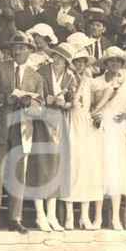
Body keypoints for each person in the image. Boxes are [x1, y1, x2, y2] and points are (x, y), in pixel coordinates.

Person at [0, 32, 46, 233]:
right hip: (0, 125)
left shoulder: (36, 76)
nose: (18, 50)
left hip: (22, 128)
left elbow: (41, 106)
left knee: (18, 174)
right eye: (15, 47)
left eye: (22, 47)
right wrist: (3, 99)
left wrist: (29, 102)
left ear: (30, 50)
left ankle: (15, 218)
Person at [28, 41, 77, 231]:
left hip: (59, 122)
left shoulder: (70, 78)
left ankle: (52, 214)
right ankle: (40, 214)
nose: (57, 60)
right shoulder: (41, 72)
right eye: (55, 56)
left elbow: (71, 104)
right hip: (41, 122)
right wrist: (44, 99)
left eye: (61, 58)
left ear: (66, 62)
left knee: (58, 167)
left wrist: (63, 102)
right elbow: (34, 96)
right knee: (40, 165)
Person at [60, 47, 104, 230]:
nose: (79, 65)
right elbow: (67, 102)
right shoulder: (67, 79)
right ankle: (69, 216)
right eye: (76, 61)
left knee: (86, 167)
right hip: (71, 122)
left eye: (82, 61)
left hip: (85, 123)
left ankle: (84, 216)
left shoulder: (89, 81)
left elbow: (109, 90)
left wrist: (96, 109)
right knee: (71, 165)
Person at [93, 47, 126, 230]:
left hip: (119, 129)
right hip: (100, 128)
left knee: (117, 171)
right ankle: (97, 218)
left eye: (118, 61)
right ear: (105, 63)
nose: (114, 64)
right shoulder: (96, 82)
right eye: (111, 61)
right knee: (100, 169)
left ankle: (116, 218)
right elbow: (92, 106)